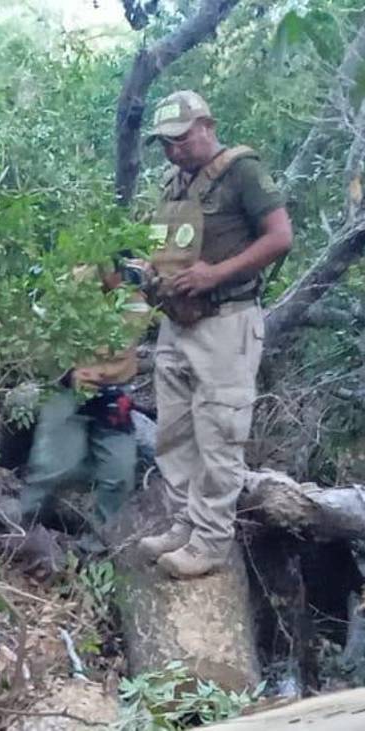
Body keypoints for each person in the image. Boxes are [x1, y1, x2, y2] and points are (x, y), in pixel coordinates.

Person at [136, 90, 293, 579]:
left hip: (226, 322)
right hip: (177, 323)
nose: (173, 150)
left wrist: (215, 274)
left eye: (180, 140)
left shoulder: (243, 172)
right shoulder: (173, 183)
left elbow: (280, 237)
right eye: (165, 143)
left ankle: (210, 542)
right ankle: (185, 523)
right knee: (175, 431)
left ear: (208, 125)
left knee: (220, 435)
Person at [19, 265, 151, 549]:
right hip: (68, 386)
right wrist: (68, 373)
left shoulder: (137, 293)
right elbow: (38, 340)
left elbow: (132, 340)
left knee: (119, 473)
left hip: (114, 392)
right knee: (51, 468)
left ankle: (96, 549)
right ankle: (20, 531)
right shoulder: (68, 288)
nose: (122, 276)